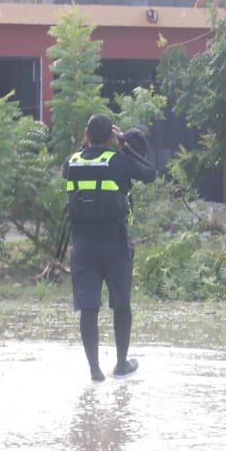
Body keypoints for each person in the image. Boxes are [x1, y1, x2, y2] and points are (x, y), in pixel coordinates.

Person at [63, 113, 157, 381]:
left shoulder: (71, 161)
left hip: (82, 246)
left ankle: (94, 370)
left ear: (86, 135)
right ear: (111, 137)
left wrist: (87, 145)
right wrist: (124, 145)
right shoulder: (119, 161)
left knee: (88, 308)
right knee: (122, 304)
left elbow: (69, 166)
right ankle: (120, 364)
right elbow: (150, 173)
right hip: (114, 245)